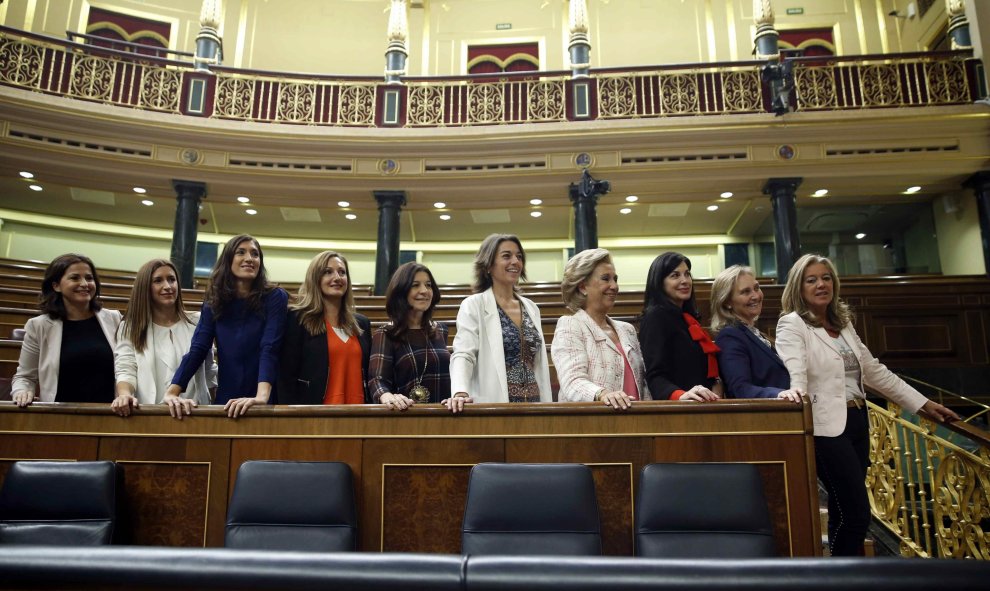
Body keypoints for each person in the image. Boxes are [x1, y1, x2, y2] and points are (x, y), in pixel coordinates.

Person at [775, 254, 959, 556]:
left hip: (858, 421)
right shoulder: (792, 324)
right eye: (812, 280)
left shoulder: (842, 323)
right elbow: (795, 368)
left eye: (826, 277)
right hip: (825, 427)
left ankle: (838, 571)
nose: (822, 284)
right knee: (857, 511)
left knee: (842, 506)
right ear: (799, 287)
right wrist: (795, 391)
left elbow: (874, 372)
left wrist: (924, 405)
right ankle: (846, 575)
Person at [166, 235, 288, 417]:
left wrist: (261, 397)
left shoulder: (275, 297)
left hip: (263, 397)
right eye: (241, 252)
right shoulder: (214, 300)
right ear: (228, 259)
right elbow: (199, 347)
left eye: (255, 254)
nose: (249, 258)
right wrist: (172, 392)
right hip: (227, 398)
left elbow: (269, 347)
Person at [448, 233, 551, 412]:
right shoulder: (474, 305)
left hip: (535, 405)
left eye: (519, 256)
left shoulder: (531, 307)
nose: (515, 261)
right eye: (506, 256)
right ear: (488, 265)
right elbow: (464, 353)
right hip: (495, 404)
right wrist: (460, 392)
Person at [111, 259, 217, 420]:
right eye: (158, 281)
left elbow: (210, 372)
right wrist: (124, 395)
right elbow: (126, 369)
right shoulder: (130, 327)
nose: (168, 286)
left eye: (172, 279)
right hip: (148, 415)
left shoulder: (197, 322)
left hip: (194, 414)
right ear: (145, 287)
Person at [11, 253, 122, 407]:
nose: (84, 283)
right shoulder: (38, 326)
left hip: (110, 413)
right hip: (59, 416)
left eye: (89, 278)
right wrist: (22, 392)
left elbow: (128, 367)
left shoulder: (114, 319)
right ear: (56, 285)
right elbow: (25, 377)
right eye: (75, 278)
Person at [551, 248, 650, 409]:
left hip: (636, 424)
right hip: (594, 426)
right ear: (583, 287)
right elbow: (572, 382)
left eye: (615, 279)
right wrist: (602, 394)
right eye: (606, 279)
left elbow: (643, 384)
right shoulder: (571, 325)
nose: (614, 286)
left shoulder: (627, 329)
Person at [278, 251, 371, 405]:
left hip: (358, 416)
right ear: (315, 278)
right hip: (315, 417)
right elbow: (285, 378)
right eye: (328, 272)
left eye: (342, 272)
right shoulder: (297, 319)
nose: (337, 277)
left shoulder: (361, 324)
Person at [639, 251, 723, 401]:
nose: (685, 281)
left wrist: (715, 382)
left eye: (687, 274)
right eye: (675, 275)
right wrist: (680, 395)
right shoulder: (655, 317)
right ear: (659, 282)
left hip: (702, 404)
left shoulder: (687, 318)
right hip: (678, 409)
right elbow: (655, 375)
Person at [710, 265, 802, 402]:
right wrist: (779, 394)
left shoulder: (753, 332)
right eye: (746, 292)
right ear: (727, 302)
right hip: (763, 417)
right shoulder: (730, 337)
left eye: (757, 288)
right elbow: (740, 388)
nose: (756, 296)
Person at [368, 262, 451, 409]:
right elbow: (377, 380)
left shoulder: (441, 330)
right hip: (405, 415)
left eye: (428, 285)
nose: (424, 291)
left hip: (443, 415)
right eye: (415, 285)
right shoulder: (386, 334)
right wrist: (386, 396)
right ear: (401, 291)